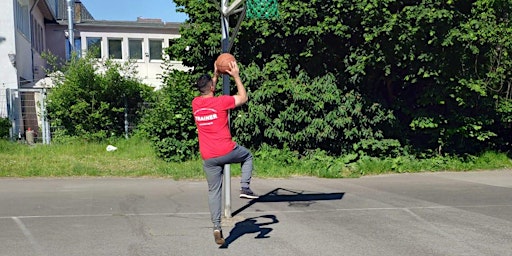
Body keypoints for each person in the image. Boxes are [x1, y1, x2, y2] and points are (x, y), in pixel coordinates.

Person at [192, 60, 259, 245]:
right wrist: (236, 76)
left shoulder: (196, 103)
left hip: (208, 157)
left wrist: (215, 75)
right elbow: (243, 97)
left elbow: (208, 90)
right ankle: (245, 187)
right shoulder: (222, 102)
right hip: (227, 150)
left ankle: (216, 226)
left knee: (214, 191)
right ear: (213, 87)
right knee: (247, 156)